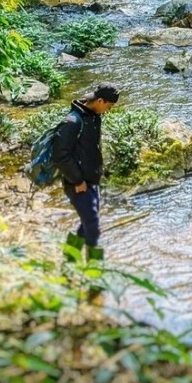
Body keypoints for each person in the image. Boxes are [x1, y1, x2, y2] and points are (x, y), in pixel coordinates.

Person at [52, 84, 119, 262]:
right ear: (99, 101)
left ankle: (69, 262)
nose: (108, 110)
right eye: (109, 106)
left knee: (87, 223)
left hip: (91, 181)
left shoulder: (93, 116)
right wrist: (77, 180)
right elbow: (60, 156)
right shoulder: (72, 122)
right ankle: (94, 273)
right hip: (78, 184)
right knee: (93, 226)